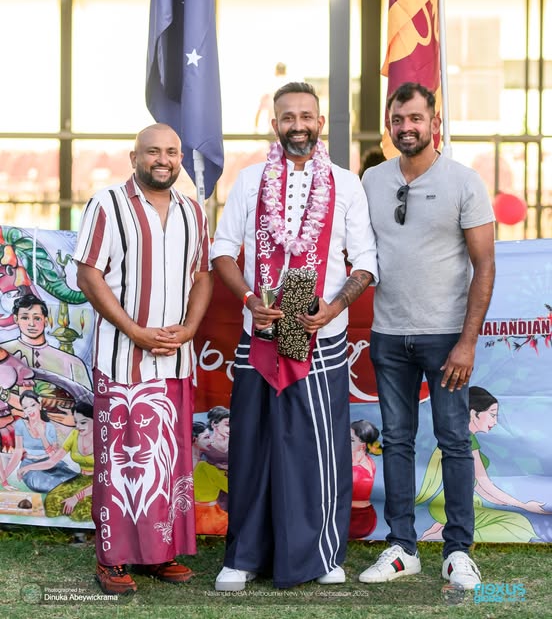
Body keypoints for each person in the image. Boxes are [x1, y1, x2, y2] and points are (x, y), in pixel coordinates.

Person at [211, 81, 378, 591]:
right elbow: (222, 249)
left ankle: (321, 553)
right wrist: (248, 301)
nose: (298, 125)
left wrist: (332, 308)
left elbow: (366, 261)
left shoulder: (347, 183)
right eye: (288, 117)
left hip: (320, 339)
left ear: (320, 123)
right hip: (258, 337)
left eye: (307, 116)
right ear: (275, 123)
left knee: (319, 450)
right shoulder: (249, 180)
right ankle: (243, 557)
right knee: (253, 449)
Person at [360, 82, 496, 591]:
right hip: (389, 336)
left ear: (433, 122)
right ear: (389, 124)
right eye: (398, 120)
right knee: (395, 441)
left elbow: (484, 266)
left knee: (454, 442)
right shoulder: (371, 180)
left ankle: (458, 550)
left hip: (446, 339)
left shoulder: (464, 181)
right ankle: (402, 547)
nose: (406, 127)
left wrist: (466, 342)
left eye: (415, 118)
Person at [73, 123, 213, 596]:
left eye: (171, 152)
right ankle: (112, 560)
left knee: (167, 464)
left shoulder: (193, 212)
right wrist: (133, 330)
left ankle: (159, 554)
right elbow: (89, 274)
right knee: (121, 464)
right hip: (122, 360)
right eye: (153, 151)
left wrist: (191, 329)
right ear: (134, 156)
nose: (163, 160)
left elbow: (202, 277)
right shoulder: (107, 204)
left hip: (175, 361)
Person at [418, 386, 546, 543]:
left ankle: (440, 529)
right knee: (517, 525)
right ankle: (442, 533)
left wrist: (516, 505)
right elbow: (485, 484)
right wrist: (524, 506)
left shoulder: (466, 438)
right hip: (454, 502)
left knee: (516, 521)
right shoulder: (466, 441)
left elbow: (480, 487)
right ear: (473, 414)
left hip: (463, 501)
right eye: (492, 415)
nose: (495, 421)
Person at [11, 390, 78, 493]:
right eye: (25, 407)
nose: (29, 410)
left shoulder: (49, 427)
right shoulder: (21, 424)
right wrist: (5, 477)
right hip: (30, 466)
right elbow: (18, 451)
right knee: (49, 484)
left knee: (75, 480)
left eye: (32, 405)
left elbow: (52, 456)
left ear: (39, 404)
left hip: (49, 463)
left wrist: (42, 435)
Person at [43, 400, 95, 522]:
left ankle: (81, 535)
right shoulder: (74, 434)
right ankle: (54, 534)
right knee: (52, 501)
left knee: (79, 510)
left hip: (99, 483)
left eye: (83, 422)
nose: (78, 426)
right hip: (81, 478)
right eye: (76, 422)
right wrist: (27, 468)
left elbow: (106, 479)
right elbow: (52, 461)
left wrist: (76, 497)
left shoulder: (104, 438)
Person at [349, 419, 381, 540]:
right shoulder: (368, 462)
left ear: (363, 445)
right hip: (352, 515)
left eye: (351, 440)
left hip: (360, 518)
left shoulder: (365, 463)